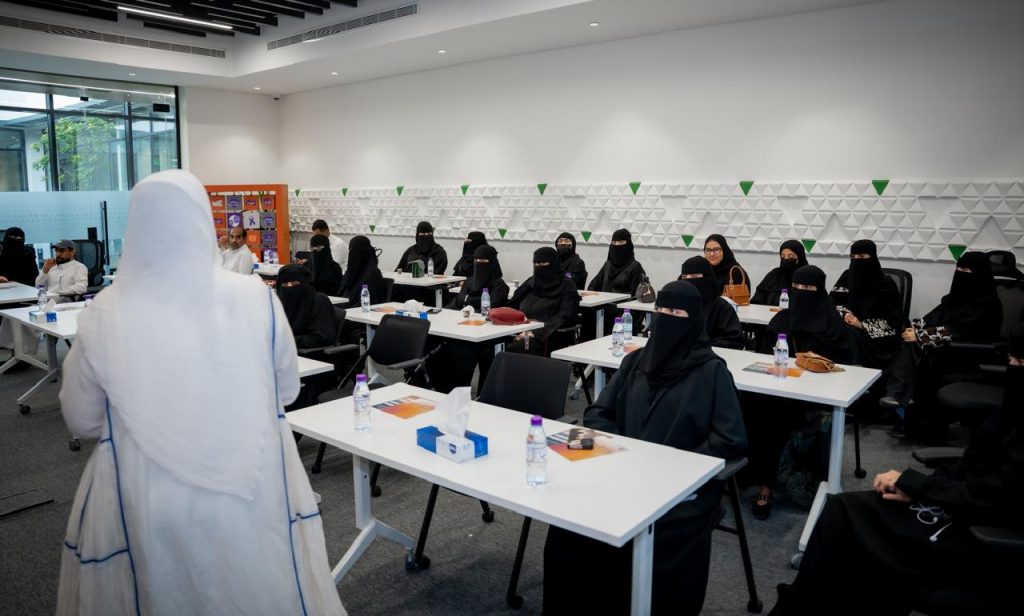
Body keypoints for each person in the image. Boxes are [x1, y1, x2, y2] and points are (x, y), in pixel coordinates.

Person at [55, 170, 345, 615]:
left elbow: (82, 419)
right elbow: (287, 389)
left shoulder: (105, 311)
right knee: (256, 587)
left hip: (144, 491)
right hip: (253, 477)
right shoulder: (256, 297)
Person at [769, 324, 1024, 616]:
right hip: (955, 502)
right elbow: (972, 469)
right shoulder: (1009, 415)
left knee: (851, 533)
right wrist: (917, 489)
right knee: (842, 510)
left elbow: (1000, 493)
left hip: (980, 534)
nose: (1012, 366)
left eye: (1020, 362)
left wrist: (917, 485)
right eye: (1011, 360)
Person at [544, 280, 747, 615]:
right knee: (571, 524)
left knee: (650, 532)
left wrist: (671, 465)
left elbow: (730, 440)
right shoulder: (636, 361)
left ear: (694, 320)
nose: (666, 317)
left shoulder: (712, 373)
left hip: (678, 487)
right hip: (621, 472)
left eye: (676, 312)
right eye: (661, 310)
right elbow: (598, 413)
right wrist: (621, 450)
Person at [744, 265, 855, 520]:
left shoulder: (832, 325)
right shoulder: (782, 320)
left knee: (780, 419)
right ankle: (754, 476)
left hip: (817, 396)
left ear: (820, 290)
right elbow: (764, 357)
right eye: (797, 287)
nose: (802, 292)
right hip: (779, 388)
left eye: (808, 287)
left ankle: (769, 485)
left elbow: (844, 368)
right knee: (750, 404)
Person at [883, 252, 1002, 440]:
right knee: (909, 345)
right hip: (944, 348)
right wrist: (913, 330)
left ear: (979, 274)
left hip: (969, 355)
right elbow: (934, 317)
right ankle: (901, 405)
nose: (960, 273)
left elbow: (961, 330)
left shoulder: (987, 305)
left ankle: (898, 399)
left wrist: (920, 336)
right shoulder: (954, 298)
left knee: (916, 352)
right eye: (958, 268)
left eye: (966, 270)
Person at [427, 245, 509, 392]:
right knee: (432, 343)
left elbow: (491, 309)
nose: (479, 264)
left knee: (460, 352)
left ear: (493, 263)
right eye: (476, 260)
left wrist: (468, 302)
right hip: (460, 330)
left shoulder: (500, 286)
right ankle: (439, 388)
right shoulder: (469, 281)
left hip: (484, 335)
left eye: (483, 261)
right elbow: (456, 304)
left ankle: (459, 390)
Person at [829, 239, 904, 370]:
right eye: (853, 257)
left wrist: (862, 325)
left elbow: (895, 321)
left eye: (862, 256)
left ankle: (856, 371)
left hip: (876, 336)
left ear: (872, 257)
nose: (857, 260)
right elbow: (832, 302)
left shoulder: (886, 284)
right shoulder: (847, 277)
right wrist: (846, 314)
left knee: (848, 334)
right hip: (847, 326)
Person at [506, 247, 580, 356]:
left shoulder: (567, 286)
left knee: (514, 348)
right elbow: (512, 304)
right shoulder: (532, 282)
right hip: (521, 329)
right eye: (536, 264)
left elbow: (564, 317)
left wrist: (534, 332)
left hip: (547, 336)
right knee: (492, 343)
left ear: (554, 264)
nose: (539, 267)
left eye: (543, 263)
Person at [678, 256, 746, 349]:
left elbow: (733, 341)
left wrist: (701, 346)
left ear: (707, 278)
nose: (688, 281)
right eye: (684, 277)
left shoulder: (721, 307)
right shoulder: (677, 303)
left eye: (694, 276)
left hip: (709, 354)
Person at [277, 264, 337, 351]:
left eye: (294, 283)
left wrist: (289, 341)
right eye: (285, 284)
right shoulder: (279, 303)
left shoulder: (318, 301)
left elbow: (323, 337)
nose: (289, 287)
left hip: (311, 354)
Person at [587, 228, 645, 295]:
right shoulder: (608, 265)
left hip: (622, 301)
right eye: (614, 242)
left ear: (629, 245)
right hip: (603, 301)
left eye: (621, 242)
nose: (617, 245)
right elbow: (593, 286)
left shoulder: (635, 267)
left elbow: (635, 294)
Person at [751, 240, 808, 306]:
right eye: (783, 256)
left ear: (799, 258)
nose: (786, 259)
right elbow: (757, 299)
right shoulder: (773, 275)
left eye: (790, 256)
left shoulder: (806, 276)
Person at [336, 235, 386, 307]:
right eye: (351, 252)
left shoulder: (372, 274)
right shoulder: (350, 272)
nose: (353, 256)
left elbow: (371, 302)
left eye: (356, 252)